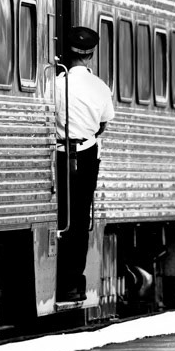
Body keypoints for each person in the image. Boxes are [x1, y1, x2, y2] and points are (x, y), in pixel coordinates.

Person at [55, 26, 115, 302]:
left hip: (59, 154)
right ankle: (72, 284)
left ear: (68, 53)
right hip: (87, 153)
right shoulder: (100, 87)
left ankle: (56, 277)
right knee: (80, 220)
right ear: (91, 55)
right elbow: (103, 124)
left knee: (61, 216)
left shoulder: (54, 83)